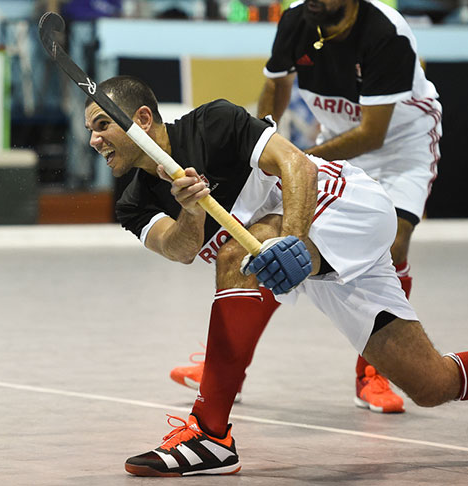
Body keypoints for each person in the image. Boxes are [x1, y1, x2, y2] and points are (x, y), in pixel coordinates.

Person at [84, 75, 468, 477]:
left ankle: (210, 434)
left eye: (102, 125)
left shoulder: (212, 123)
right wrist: (194, 211)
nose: (94, 139)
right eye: (89, 130)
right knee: (429, 382)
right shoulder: (134, 202)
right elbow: (177, 250)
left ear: (143, 119)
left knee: (245, 255)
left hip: (346, 207)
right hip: (312, 264)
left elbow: (299, 168)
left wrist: (291, 240)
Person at [171, 0, 442, 413]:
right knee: (271, 242)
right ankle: (228, 366)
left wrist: (297, 159)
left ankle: (372, 375)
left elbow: (372, 134)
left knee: (395, 245)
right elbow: (276, 86)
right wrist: (261, 143)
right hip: (337, 138)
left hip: (402, 148)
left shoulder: (386, 33)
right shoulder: (298, 19)